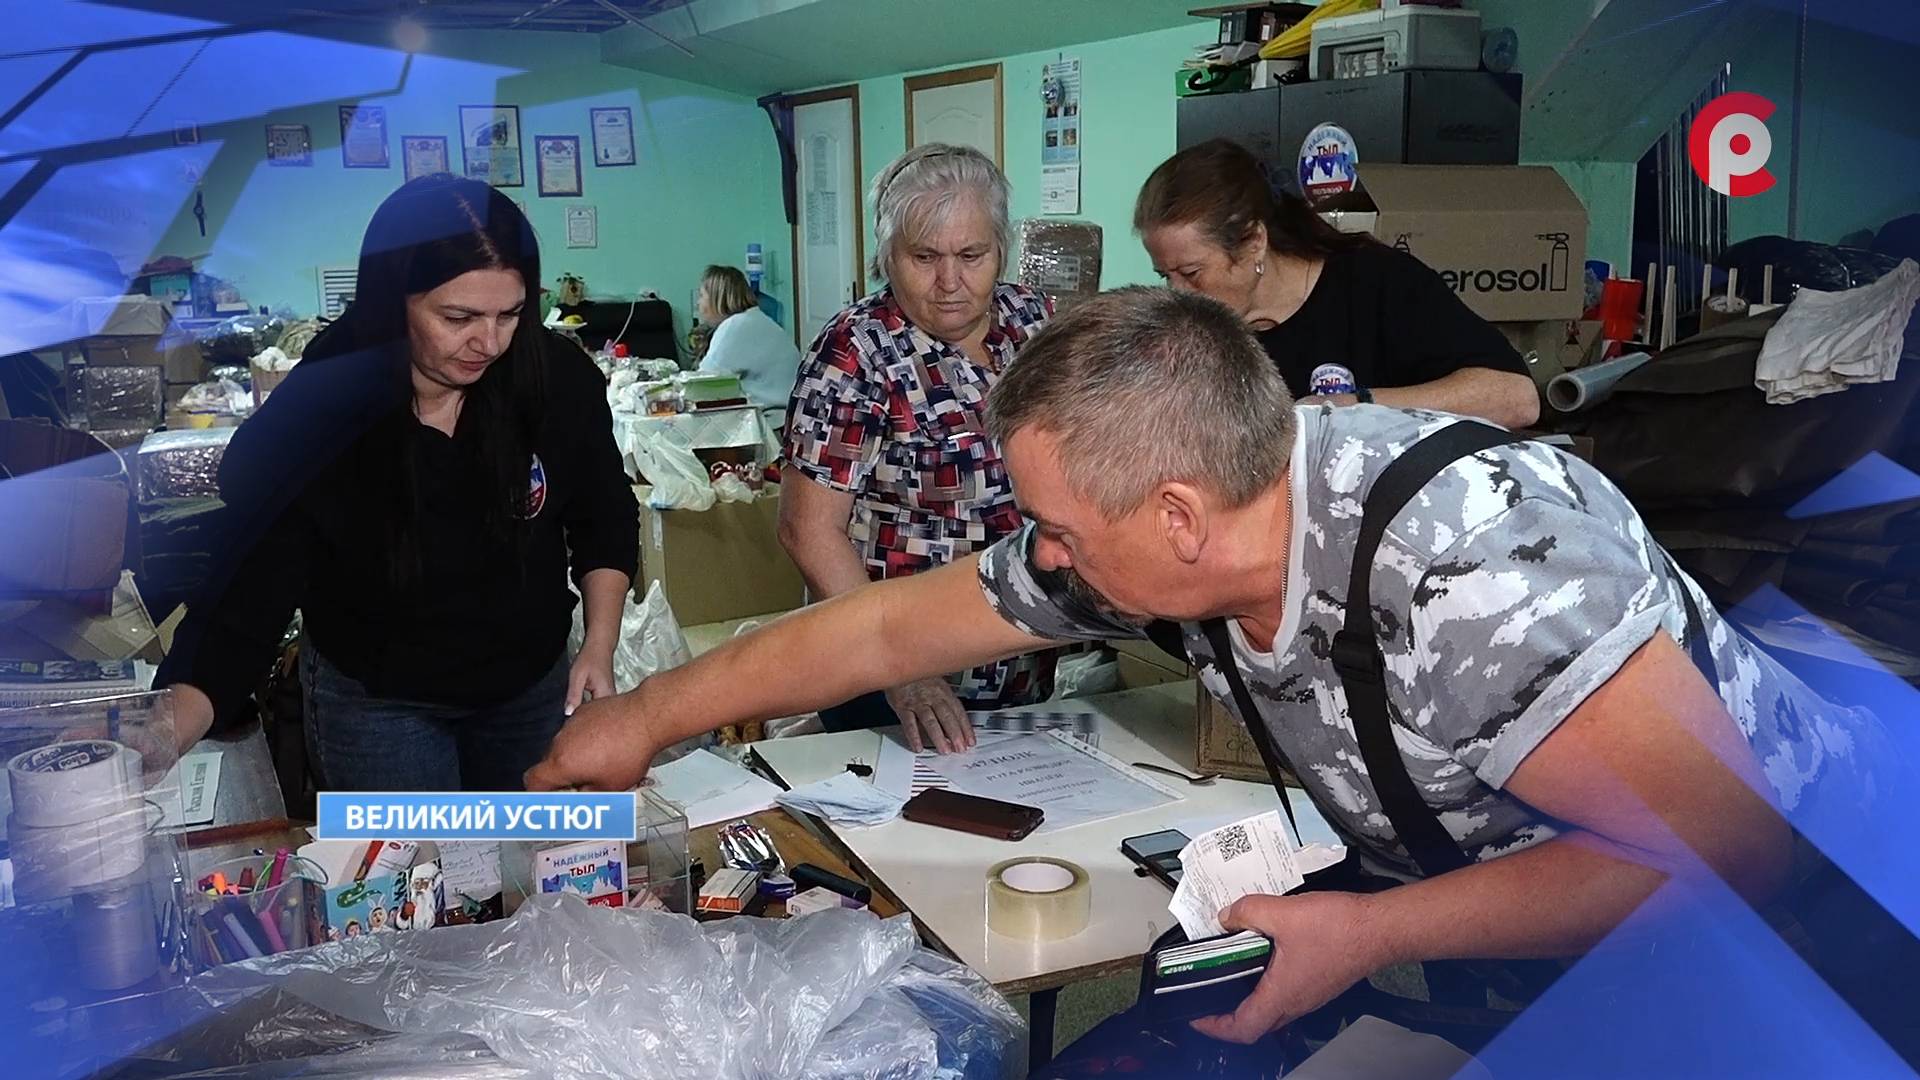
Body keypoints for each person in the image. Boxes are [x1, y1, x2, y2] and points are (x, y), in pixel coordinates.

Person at [531, 287, 1897, 1051]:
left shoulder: (1480, 578)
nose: (1041, 556)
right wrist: (642, 718)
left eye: (1055, 529)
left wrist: (1375, 935)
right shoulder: (1191, 514)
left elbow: (1732, 857)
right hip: (1485, 882)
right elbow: (893, 630)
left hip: (1800, 943)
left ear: (1176, 516)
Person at [157, 175, 638, 792]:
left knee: (527, 850)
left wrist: (599, 644)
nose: (489, 342)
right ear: (392, 302)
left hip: (527, 684)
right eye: (458, 317)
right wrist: (166, 727)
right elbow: (254, 583)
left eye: (511, 314)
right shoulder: (326, 400)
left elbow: (605, 516)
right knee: (411, 855)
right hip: (381, 703)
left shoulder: (553, 377)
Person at [776, 142, 1055, 753]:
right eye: (924, 257)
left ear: (1000, 248)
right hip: (894, 677)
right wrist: (902, 671)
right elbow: (807, 529)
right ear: (888, 255)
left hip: (1020, 658)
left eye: (971, 255)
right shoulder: (855, 352)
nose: (950, 282)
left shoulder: (1032, 322)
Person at [1135, 139, 1539, 427]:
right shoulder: (1191, 332)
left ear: (1254, 241)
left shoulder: (1374, 283)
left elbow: (1516, 399)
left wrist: (1355, 406)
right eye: (1164, 276)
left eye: (1192, 273)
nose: (1178, 294)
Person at [694, 264, 800, 426]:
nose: (698, 303)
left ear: (717, 299)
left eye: (702, 296)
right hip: (789, 418)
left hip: (772, 425)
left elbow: (702, 384)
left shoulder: (735, 326)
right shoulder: (758, 320)